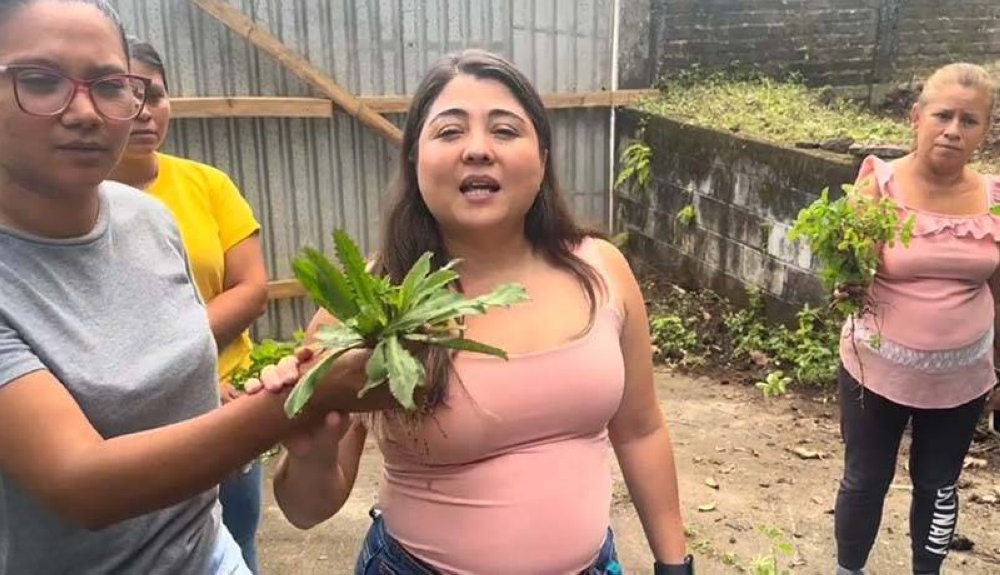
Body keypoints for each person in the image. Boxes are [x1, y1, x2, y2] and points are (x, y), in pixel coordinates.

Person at [256, 49, 694, 575]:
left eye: (505, 130)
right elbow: (305, 511)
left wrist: (675, 565)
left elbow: (640, 431)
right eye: (449, 132)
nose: (479, 150)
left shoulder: (603, 271)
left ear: (543, 157)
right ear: (414, 158)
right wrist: (311, 451)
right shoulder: (367, 303)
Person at [0, 1, 389, 573]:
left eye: (110, 85)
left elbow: (171, 346)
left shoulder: (147, 220)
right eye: (39, 80)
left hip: (209, 553)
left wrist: (222, 391)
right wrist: (311, 390)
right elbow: (81, 485)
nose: (84, 111)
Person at [107, 38, 268, 574]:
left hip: (230, 399)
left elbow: (251, 288)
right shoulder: (75, 206)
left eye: (155, 95)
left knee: (235, 538)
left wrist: (177, 352)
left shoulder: (208, 184)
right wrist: (171, 370)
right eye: (125, 94)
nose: (144, 111)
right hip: (135, 418)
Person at [833, 62, 998, 575]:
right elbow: (847, 268)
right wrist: (845, 281)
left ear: (985, 130)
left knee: (939, 484)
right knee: (865, 477)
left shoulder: (994, 198)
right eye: (942, 115)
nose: (953, 129)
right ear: (916, 117)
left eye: (969, 120)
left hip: (963, 377)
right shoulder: (879, 183)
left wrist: (999, 370)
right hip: (877, 371)